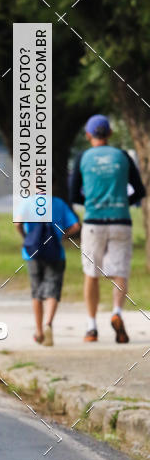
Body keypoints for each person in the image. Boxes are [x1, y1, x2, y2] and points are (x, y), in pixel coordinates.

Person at [69, 114, 146, 344]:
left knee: (91, 274)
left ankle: (91, 328)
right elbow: (140, 190)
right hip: (121, 221)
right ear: (110, 134)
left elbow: (74, 194)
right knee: (120, 272)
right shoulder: (122, 156)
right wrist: (124, 201)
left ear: (88, 135)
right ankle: (117, 312)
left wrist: (94, 202)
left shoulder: (83, 158)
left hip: (94, 222)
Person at [15, 189, 80, 346]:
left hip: (32, 253)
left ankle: (39, 332)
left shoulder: (27, 202)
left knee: (37, 291)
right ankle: (48, 324)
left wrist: (26, 238)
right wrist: (62, 236)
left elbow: (18, 223)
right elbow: (76, 226)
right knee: (53, 288)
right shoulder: (58, 203)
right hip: (55, 251)